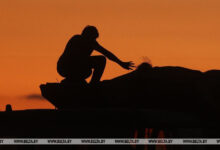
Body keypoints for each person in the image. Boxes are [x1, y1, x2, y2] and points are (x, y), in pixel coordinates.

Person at [57, 25, 134, 85]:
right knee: (99, 62)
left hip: (73, 67)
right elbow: (73, 57)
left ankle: (79, 81)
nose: (94, 40)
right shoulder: (76, 39)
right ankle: (93, 84)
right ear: (87, 35)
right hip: (65, 67)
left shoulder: (92, 42)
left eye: (94, 39)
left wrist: (120, 63)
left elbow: (106, 53)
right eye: (93, 38)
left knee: (94, 66)